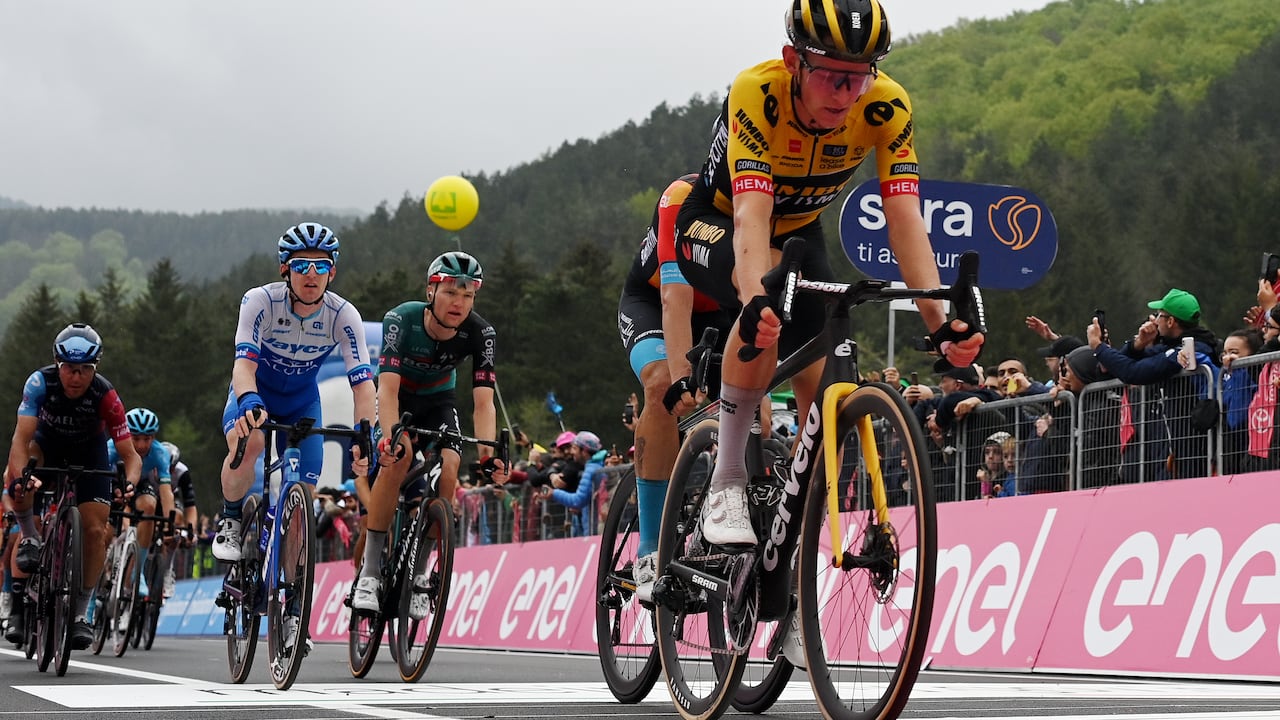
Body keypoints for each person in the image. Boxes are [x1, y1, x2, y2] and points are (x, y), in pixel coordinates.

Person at [672, 0, 982, 546]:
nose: (846, 94)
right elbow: (750, 214)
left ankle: (790, 573)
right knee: (764, 301)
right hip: (719, 222)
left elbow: (905, 219)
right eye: (834, 77)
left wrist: (939, 323)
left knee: (823, 408)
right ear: (794, 60)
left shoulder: (886, 106)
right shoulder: (758, 93)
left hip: (798, 232)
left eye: (859, 78)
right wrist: (754, 301)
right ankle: (726, 480)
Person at [351, 251, 507, 613]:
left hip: (439, 399)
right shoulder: (400, 319)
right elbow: (386, 390)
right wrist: (389, 436)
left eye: (468, 295)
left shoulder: (481, 333)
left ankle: (420, 573)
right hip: (398, 395)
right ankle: (371, 571)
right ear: (430, 291)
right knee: (399, 455)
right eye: (451, 292)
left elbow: (483, 403)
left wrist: (487, 457)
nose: (459, 303)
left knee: (450, 466)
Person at [212, 222, 377, 564]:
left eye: (322, 265)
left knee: (304, 495)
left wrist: (365, 432)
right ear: (285, 269)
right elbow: (243, 366)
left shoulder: (344, 315)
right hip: (257, 393)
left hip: (302, 403)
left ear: (333, 272)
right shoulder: (260, 301)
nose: (311, 274)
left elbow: (363, 384)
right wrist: (248, 399)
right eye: (302, 265)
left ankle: (290, 599)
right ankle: (230, 518)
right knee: (252, 443)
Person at [617, 174, 736, 600]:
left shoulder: (770, 200)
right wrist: (686, 377)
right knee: (662, 385)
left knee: (752, 402)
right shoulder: (682, 197)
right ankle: (649, 548)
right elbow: (675, 299)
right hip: (654, 301)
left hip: (719, 310)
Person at [5, 323, 143, 649]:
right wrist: (24, 474)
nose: (76, 377)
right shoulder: (40, 383)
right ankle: (29, 538)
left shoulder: (106, 395)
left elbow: (131, 456)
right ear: (57, 364)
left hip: (89, 454)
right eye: (69, 369)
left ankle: (80, 614)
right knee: (17, 483)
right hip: (45, 446)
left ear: (95, 368)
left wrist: (130, 484)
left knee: (96, 530)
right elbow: (20, 440)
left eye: (85, 370)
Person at [108, 408, 175, 599]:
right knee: (104, 533)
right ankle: (90, 600)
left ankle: (138, 572)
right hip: (113, 482)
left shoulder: (160, 452)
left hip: (140, 484)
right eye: (136, 439)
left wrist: (169, 522)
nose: (142, 445)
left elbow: (166, 490)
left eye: (147, 439)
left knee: (150, 506)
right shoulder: (113, 447)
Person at [160, 441, 198, 594]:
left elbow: (190, 505)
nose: (168, 472)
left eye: (171, 469)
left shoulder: (182, 472)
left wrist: (190, 532)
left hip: (171, 499)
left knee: (177, 517)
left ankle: (167, 569)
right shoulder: (149, 465)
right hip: (151, 496)